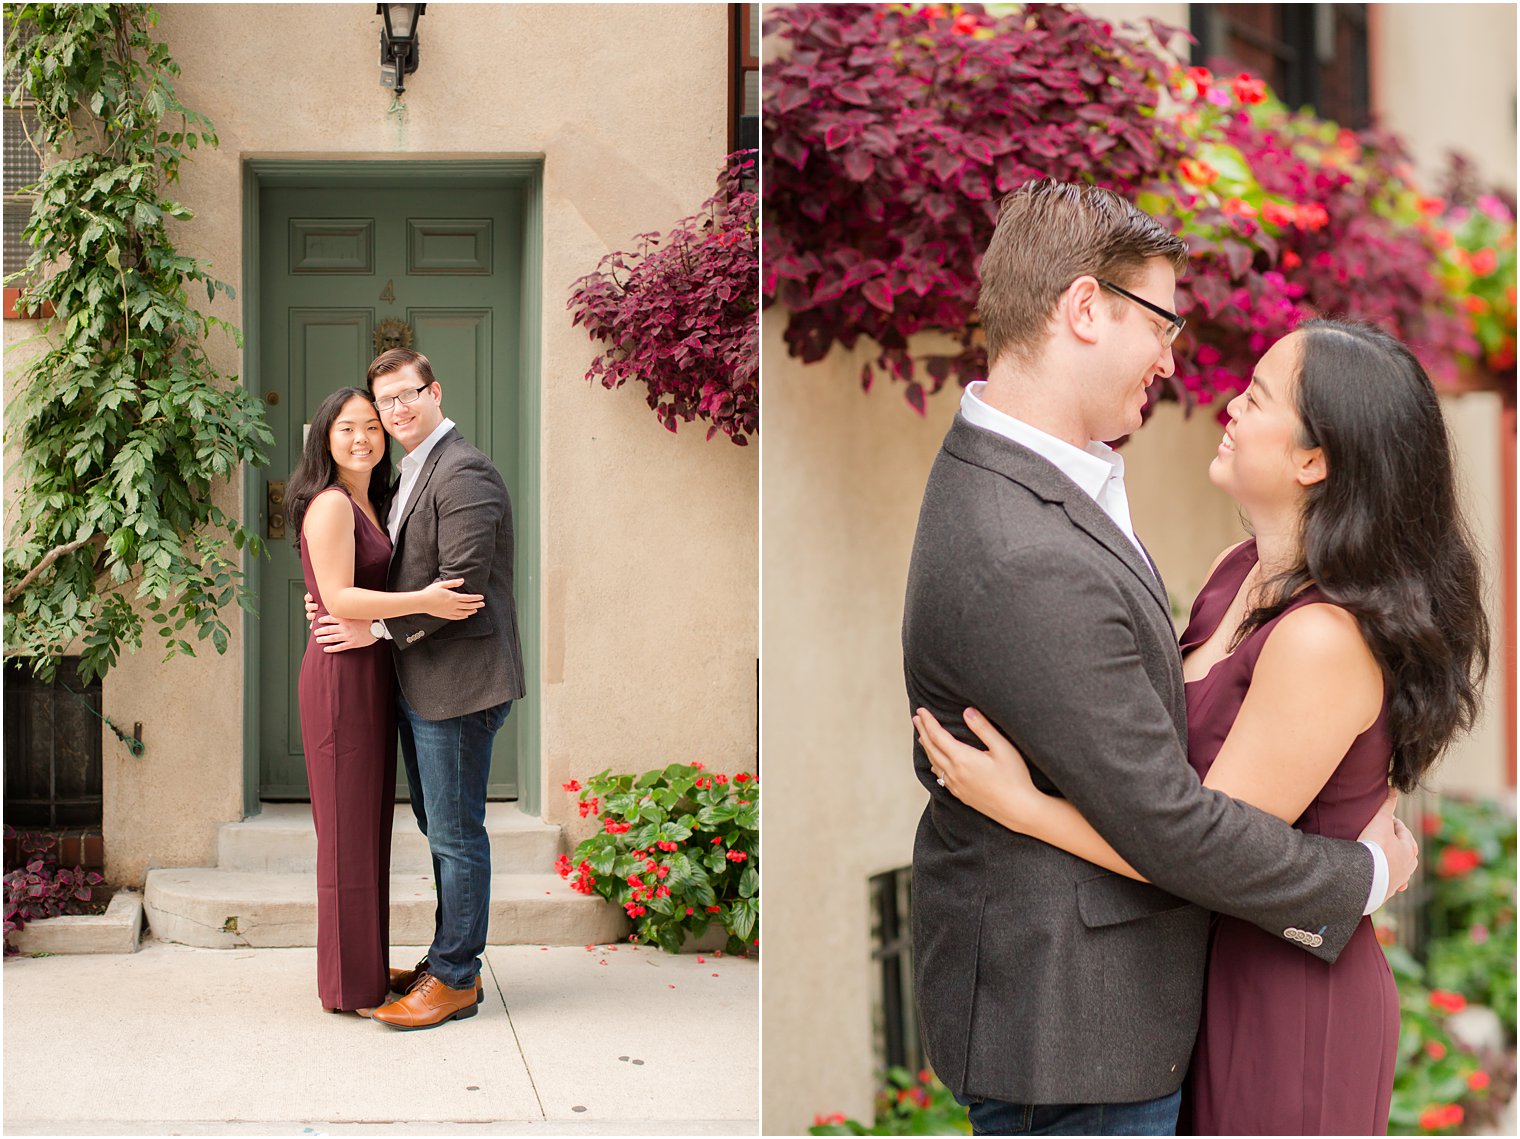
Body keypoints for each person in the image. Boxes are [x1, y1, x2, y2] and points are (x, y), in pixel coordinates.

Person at [900, 179, 1422, 1136]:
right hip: (1083, 1028)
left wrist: (1027, 805)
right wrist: (1367, 875)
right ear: (1086, 309)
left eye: (1258, 394)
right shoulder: (1033, 544)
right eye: (1163, 324)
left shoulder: (1056, 485)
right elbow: (1173, 823)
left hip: (1224, 1002)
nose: (1181, 366)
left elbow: (1178, 799)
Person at [308, 348, 526, 1031]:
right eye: (385, 403)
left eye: (407, 396)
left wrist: (371, 628)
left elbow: (457, 589)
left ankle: (457, 976)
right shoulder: (403, 475)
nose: (396, 412)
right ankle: (445, 957)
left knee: (457, 835)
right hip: (424, 683)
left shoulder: (463, 472)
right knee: (442, 828)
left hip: (460, 685)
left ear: (436, 390)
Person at [285, 386, 484, 1016]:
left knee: (369, 830)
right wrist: (423, 600)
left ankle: (366, 973)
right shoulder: (332, 505)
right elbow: (340, 600)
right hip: (342, 679)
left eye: (371, 426)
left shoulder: (375, 500)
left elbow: (344, 592)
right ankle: (346, 987)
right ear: (325, 436)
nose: (363, 438)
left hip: (374, 672)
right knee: (345, 835)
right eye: (347, 428)